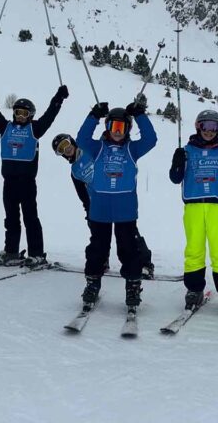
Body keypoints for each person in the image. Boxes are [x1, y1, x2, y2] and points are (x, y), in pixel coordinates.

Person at [0, 74, 67, 267]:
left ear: (31, 115)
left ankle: (37, 254)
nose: (20, 116)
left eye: (24, 113)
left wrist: (58, 98)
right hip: (9, 182)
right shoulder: (5, 127)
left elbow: (50, 115)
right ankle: (11, 251)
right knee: (11, 219)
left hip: (27, 182)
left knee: (30, 218)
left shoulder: (35, 129)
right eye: (17, 112)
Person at [75, 102, 157, 309]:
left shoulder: (132, 149)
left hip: (125, 209)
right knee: (98, 249)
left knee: (128, 249)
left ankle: (133, 285)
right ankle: (92, 283)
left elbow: (150, 139)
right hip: (100, 208)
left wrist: (140, 115)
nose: (118, 132)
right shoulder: (97, 148)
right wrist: (93, 116)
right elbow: (82, 139)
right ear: (107, 127)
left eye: (122, 127)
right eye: (114, 126)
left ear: (128, 129)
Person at [168, 110, 218, 316]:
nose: (209, 131)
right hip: (193, 207)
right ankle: (194, 289)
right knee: (194, 249)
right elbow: (175, 178)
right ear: (198, 126)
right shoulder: (186, 151)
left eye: (214, 127)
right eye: (206, 126)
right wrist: (177, 162)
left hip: (216, 207)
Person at [52, 133, 155, 278]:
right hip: (99, 204)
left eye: (66, 144)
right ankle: (101, 263)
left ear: (72, 142)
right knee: (99, 236)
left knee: (129, 234)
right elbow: (83, 194)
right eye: (61, 149)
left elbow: (107, 143)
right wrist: (89, 210)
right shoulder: (75, 171)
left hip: (116, 195)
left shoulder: (89, 149)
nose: (66, 149)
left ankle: (145, 264)